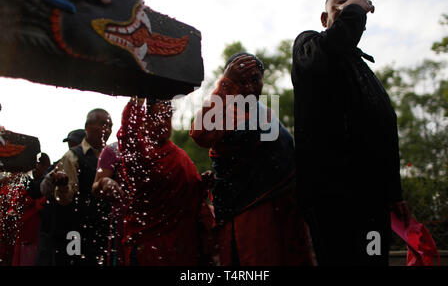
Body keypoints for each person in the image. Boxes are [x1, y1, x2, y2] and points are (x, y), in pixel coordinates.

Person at [291, 0, 410, 266]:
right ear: (325, 18)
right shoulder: (309, 44)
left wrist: (394, 193)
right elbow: (329, 50)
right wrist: (356, 7)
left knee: (373, 259)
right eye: (341, 2)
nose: (347, 6)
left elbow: (384, 127)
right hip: (333, 196)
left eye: (352, 2)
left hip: (373, 198)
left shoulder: (362, 68)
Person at [190, 53, 314, 266]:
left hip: (286, 216)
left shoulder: (267, 113)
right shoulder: (224, 112)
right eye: (240, 81)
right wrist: (225, 84)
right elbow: (200, 133)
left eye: (254, 80)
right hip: (248, 220)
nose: (248, 88)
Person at [115, 97, 214, 266]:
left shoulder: (178, 155)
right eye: (157, 117)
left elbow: (188, 197)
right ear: (144, 121)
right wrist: (137, 98)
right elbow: (128, 134)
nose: (163, 123)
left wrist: (201, 184)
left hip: (183, 248)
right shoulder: (140, 154)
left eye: (167, 117)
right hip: (150, 248)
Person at [36, 109, 112, 266]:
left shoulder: (110, 156)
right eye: (103, 125)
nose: (107, 130)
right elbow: (65, 199)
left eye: (110, 126)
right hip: (74, 231)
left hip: (100, 231)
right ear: (87, 127)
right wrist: (63, 186)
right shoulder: (72, 156)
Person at [12, 153, 51, 266]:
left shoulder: (45, 183)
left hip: (35, 230)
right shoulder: (27, 180)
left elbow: (40, 204)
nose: (35, 168)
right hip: (26, 228)